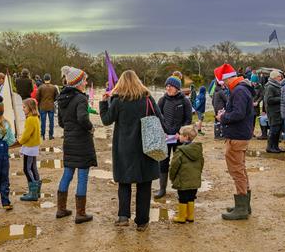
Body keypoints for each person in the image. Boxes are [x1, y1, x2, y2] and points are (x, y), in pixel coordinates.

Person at [100, 70, 164, 231]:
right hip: (146, 147)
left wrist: (103, 103)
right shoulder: (147, 98)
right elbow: (160, 118)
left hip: (124, 147)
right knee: (144, 185)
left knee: (124, 182)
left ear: (121, 83)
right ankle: (142, 221)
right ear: (138, 81)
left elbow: (106, 120)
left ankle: (123, 216)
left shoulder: (118, 100)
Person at [55, 67, 96, 224]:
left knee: (67, 173)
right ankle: (80, 213)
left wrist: (70, 128)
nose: (86, 82)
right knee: (82, 176)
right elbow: (83, 118)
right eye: (84, 80)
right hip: (82, 141)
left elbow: (60, 122)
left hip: (69, 141)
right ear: (78, 82)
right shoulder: (81, 99)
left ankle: (61, 209)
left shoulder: (62, 98)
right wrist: (91, 128)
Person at [217, 66, 256, 220]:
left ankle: (242, 208)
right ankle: (244, 204)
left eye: (223, 82)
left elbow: (238, 113)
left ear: (228, 79)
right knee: (241, 169)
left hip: (237, 136)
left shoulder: (239, 91)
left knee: (237, 171)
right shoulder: (242, 88)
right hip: (241, 134)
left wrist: (223, 117)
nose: (223, 85)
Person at [155, 75, 193, 199]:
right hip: (165, 138)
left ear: (177, 88)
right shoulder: (162, 100)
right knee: (163, 163)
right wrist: (161, 131)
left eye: (170, 86)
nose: (168, 88)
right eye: (166, 86)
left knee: (179, 163)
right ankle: (162, 189)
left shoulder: (185, 101)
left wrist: (181, 134)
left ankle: (180, 190)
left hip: (179, 138)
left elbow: (188, 120)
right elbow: (157, 118)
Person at [169, 125, 205, 224]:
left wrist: (172, 177)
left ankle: (181, 217)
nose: (179, 136)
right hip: (194, 180)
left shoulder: (180, 151)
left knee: (182, 198)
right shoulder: (198, 150)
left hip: (183, 180)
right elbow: (201, 163)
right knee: (191, 197)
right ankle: (190, 216)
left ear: (185, 137)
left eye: (180, 135)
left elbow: (174, 166)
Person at [18, 98, 42, 202]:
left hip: (29, 147)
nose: (22, 109)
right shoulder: (36, 117)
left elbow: (26, 135)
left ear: (30, 107)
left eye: (24, 107)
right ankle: (37, 192)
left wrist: (19, 141)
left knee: (26, 169)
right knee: (33, 168)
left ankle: (33, 193)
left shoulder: (30, 119)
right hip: (34, 146)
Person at [263, 70, 284, 153]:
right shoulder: (270, 87)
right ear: (274, 77)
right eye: (279, 76)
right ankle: (270, 147)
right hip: (273, 112)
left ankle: (275, 146)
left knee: (278, 130)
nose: (280, 78)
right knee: (274, 130)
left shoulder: (276, 86)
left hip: (278, 111)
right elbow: (269, 100)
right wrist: (281, 98)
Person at [35, 73, 59, 140]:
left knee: (43, 122)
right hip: (51, 106)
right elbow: (57, 97)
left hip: (42, 106)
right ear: (50, 79)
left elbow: (37, 97)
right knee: (51, 121)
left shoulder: (40, 87)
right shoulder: (54, 87)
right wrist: (52, 100)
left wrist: (40, 102)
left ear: (44, 79)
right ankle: (51, 135)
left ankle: (43, 135)